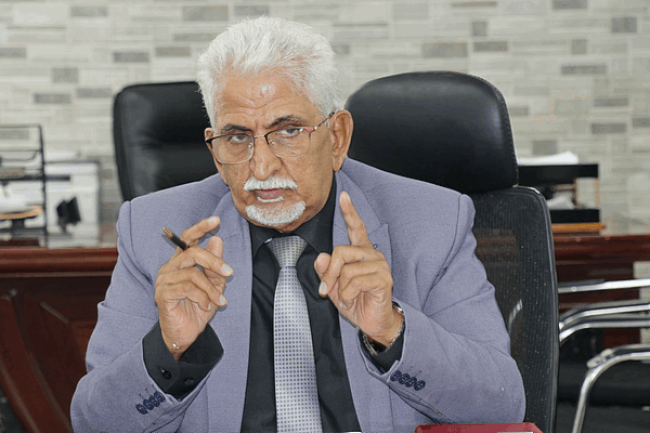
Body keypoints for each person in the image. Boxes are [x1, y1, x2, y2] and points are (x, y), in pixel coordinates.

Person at [71, 16, 525, 433]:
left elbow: (502, 406)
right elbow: (93, 422)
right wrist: (168, 348)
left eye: (288, 131)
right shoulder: (155, 230)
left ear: (337, 137)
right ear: (216, 151)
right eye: (237, 137)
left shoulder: (431, 221)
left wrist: (392, 331)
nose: (261, 166)